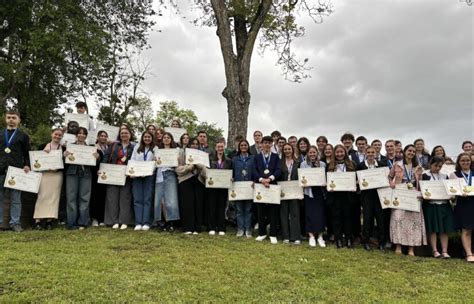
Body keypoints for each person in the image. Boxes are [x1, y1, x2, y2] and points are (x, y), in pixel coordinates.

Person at [388, 144, 427, 256]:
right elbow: (390, 176)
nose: (411, 153)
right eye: (409, 151)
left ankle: (411, 248)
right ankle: (398, 246)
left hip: (413, 194)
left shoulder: (418, 167)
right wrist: (391, 183)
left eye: (413, 151)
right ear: (404, 151)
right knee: (398, 218)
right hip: (400, 192)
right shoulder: (397, 165)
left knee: (413, 221)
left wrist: (422, 194)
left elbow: (422, 183)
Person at [0, 110, 31, 232]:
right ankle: (1, 223)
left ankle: (15, 223)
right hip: (1, 169)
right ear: (5, 119)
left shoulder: (23, 136)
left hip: (16, 170)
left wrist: (27, 165)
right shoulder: (0, 134)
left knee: (16, 199)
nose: (11, 120)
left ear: (19, 120)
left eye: (14, 117)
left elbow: (27, 153)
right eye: (9, 117)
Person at [64, 127, 100, 230]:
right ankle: (71, 223)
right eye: (79, 133)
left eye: (84, 134)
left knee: (84, 198)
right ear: (76, 135)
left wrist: (97, 158)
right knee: (71, 198)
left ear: (86, 136)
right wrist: (64, 155)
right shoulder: (70, 147)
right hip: (72, 173)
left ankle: (83, 222)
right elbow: (63, 162)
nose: (81, 135)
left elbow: (95, 164)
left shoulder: (91, 148)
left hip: (86, 174)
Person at [103, 126, 135, 229]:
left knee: (125, 198)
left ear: (130, 135)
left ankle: (124, 221)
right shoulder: (113, 145)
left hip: (127, 175)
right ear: (119, 135)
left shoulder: (134, 147)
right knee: (112, 197)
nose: (124, 135)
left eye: (126, 133)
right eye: (122, 133)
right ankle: (114, 221)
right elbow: (106, 158)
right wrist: (102, 169)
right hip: (113, 174)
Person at [33, 128, 65, 230]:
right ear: (51, 134)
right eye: (56, 134)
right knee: (42, 196)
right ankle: (37, 221)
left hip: (57, 175)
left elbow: (66, 164)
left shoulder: (64, 149)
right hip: (44, 174)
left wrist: (64, 157)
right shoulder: (42, 146)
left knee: (54, 198)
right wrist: (43, 153)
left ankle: (49, 221)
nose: (57, 136)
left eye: (60, 135)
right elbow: (36, 161)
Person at [422, 156, 454, 258]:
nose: (437, 168)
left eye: (440, 166)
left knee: (444, 229)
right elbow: (423, 189)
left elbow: (450, 189)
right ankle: (435, 250)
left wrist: (452, 195)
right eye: (435, 165)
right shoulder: (425, 175)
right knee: (432, 228)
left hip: (444, 204)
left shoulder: (445, 176)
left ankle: (444, 251)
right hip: (431, 205)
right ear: (430, 164)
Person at [326, 144, 357, 248]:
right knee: (336, 218)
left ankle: (348, 239)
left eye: (341, 152)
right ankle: (338, 239)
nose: (339, 154)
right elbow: (326, 181)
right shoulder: (330, 165)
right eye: (337, 152)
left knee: (348, 218)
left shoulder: (352, 164)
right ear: (334, 153)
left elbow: (357, 179)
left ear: (345, 153)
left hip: (348, 196)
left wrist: (354, 184)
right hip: (335, 196)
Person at [357, 145, 387, 251]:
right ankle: (366, 241)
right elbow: (358, 181)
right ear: (365, 153)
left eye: (372, 152)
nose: (370, 154)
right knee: (367, 220)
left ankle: (381, 242)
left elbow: (386, 180)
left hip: (379, 196)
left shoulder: (382, 165)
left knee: (380, 220)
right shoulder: (360, 166)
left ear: (376, 153)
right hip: (366, 197)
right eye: (368, 152)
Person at [253, 135, 281, 244]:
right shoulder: (257, 157)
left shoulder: (275, 156)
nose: (267, 145)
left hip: (272, 185)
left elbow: (278, 170)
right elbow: (254, 170)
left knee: (273, 210)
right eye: (265, 143)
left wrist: (270, 178)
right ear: (261, 144)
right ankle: (262, 233)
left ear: (271, 144)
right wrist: (261, 179)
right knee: (260, 210)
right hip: (260, 185)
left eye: (269, 143)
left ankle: (273, 234)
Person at [176, 137, 206, 234]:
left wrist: (200, 167)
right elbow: (177, 169)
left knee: (198, 204)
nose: (195, 146)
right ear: (189, 145)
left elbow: (207, 173)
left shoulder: (203, 155)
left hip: (198, 180)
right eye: (192, 144)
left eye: (196, 144)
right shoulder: (181, 153)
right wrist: (189, 167)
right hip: (185, 180)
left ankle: (197, 228)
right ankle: (188, 228)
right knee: (187, 204)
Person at [300, 145, 327, 248]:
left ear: (317, 153)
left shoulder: (323, 164)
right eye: (310, 152)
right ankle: (311, 236)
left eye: (314, 152)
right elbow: (302, 179)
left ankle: (320, 236)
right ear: (308, 153)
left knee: (320, 214)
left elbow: (326, 179)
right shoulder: (303, 164)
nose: (312, 154)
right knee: (310, 214)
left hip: (319, 192)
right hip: (309, 192)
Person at [449, 153, 474, 262]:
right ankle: (469, 254)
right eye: (462, 161)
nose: (465, 162)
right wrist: (458, 193)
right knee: (466, 229)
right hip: (464, 204)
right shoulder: (454, 175)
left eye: (467, 160)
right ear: (458, 163)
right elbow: (452, 193)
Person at [154, 132, 180, 231]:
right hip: (160, 174)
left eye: (168, 137)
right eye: (164, 137)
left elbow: (177, 164)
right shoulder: (158, 150)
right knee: (159, 200)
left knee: (171, 200)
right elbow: (154, 163)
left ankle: (170, 222)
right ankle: (161, 222)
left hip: (170, 174)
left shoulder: (176, 150)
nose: (166, 139)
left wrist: (177, 160)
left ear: (171, 139)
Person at [130, 131, 156, 231]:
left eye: (149, 137)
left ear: (152, 138)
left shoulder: (155, 148)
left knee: (147, 199)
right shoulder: (137, 147)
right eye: (145, 137)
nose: (147, 139)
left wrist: (149, 171)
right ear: (142, 138)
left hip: (149, 176)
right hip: (137, 176)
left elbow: (156, 161)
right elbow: (132, 159)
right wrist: (132, 172)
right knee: (137, 199)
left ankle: (146, 222)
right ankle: (138, 222)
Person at [207, 140, 232, 235]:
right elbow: (207, 170)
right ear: (215, 148)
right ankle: (212, 227)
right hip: (212, 186)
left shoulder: (229, 160)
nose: (220, 149)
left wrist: (231, 178)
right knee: (212, 206)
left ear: (224, 147)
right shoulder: (210, 159)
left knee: (222, 207)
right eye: (218, 147)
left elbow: (230, 172)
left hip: (223, 187)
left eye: (222, 147)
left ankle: (221, 227)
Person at [232, 139, 255, 237]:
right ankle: (240, 229)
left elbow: (256, 171)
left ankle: (248, 229)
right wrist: (231, 178)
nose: (243, 147)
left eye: (245, 145)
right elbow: (231, 171)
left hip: (249, 187)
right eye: (241, 145)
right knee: (239, 209)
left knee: (248, 209)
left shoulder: (253, 158)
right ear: (239, 147)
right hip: (238, 187)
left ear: (248, 147)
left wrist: (255, 180)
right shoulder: (235, 159)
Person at [279, 143, 301, 245]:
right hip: (283, 191)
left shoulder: (298, 163)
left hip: (294, 191)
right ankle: (286, 236)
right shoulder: (280, 163)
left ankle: (295, 236)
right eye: (285, 149)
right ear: (283, 151)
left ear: (292, 150)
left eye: (289, 149)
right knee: (283, 214)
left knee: (294, 214)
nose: (287, 151)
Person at [90, 130, 109, 226]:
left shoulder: (108, 148)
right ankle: (94, 218)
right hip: (95, 175)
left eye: (105, 136)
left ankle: (102, 219)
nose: (103, 137)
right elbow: (90, 162)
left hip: (106, 176)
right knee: (95, 197)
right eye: (101, 136)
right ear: (97, 137)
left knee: (103, 197)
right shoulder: (92, 148)